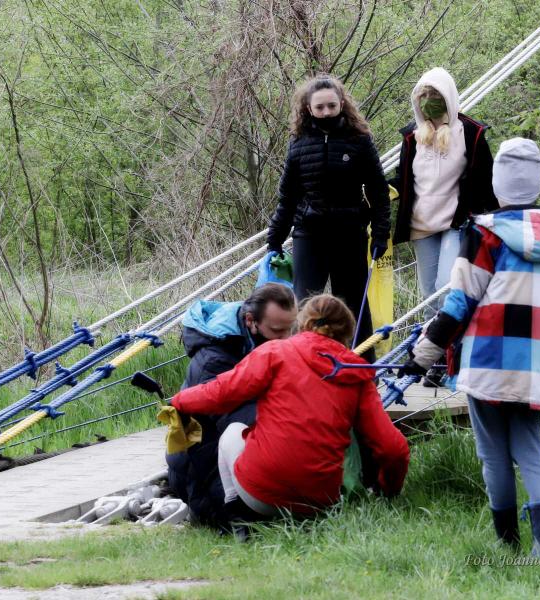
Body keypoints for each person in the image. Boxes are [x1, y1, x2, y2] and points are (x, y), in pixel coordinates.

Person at [399, 138, 540, 556]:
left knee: (493, 453)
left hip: (487, 359)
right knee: (531, 450)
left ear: (498, 184)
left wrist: (422, 355)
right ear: (537, 182)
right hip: (536, 363)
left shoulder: (482, 233)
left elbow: (459, 304)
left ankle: (507, 543)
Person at [171, 294, 409, 533]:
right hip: (319, 503)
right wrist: (389, 490)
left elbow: (221, 393)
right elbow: (393, 449)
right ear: (347, 332)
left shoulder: (274, 352)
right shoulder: (357, 374)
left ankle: (239, 519)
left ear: (302, 323)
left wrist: (179, 400)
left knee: (233, 433)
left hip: (260, 495)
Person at [266, 74, 391, 361]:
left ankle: (363, 369)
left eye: (331, 106)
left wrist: (381, 233)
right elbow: (288, 197)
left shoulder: (359, 140)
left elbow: (378, 191)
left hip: (350, 233)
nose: (326, 112)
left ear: (341, 104)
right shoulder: (298, 143)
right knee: (304, 303)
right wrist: (274, 239)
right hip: (310, 235)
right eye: (320, 107)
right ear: (308, 108)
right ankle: (303, 365)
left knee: (354, 303)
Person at [167, 282, 297, 525]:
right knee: (254, 518)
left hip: (232, 446)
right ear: (250, 321)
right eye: (278, 331)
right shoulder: (214, 359)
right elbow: (236, 420)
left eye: (291, 329)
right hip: (204, 463)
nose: (287, 339)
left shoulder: (262, 340)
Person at [392, 67, 497, 311]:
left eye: (436, 95)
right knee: (429, 296)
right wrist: (383, 191)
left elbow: (486, 179)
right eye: (424, 95)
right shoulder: (412, 137)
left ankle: (451, 334)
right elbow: (403, 178)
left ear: (448, 96)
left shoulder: (470, 133)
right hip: (421, 224)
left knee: (447, 287)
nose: (429, 101)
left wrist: (498, 219)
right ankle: (432, 336)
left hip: (456, 222)